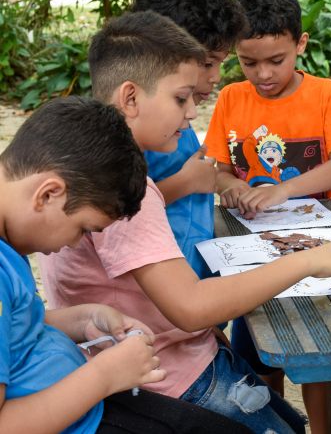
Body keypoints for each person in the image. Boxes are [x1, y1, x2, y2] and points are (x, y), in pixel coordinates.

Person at [38, 11, 331, 433]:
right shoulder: (120, 185)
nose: (193, 112)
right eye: (181, 98)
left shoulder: (94, 159)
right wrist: (307, 261)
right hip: (167, 379)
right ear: (131, 98)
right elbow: (190, 308)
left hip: (167, 357)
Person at [0, 96, 249, 434]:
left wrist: (85, 317)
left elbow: (15, 329)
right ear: (48, 194)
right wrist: (104, 376)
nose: (75, 243)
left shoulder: (9, 246)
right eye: (84, 229)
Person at [204, 0, 331, 434]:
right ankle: (275, 421)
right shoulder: (231, 98)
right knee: (256, 348)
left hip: (318, 247)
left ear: (301, 44)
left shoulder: (325, 94)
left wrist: (283, 190)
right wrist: (233, 184)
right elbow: (213, 170)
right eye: (249, 62)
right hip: (248, 248)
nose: (263, 74)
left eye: (276, 60)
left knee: (318, 355)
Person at [131, 0, 247, 280]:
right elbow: (117, 213)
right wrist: (187, 182)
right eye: (208, 64)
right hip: (157, 312)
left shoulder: (178, 115)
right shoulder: (137, 128)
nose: (217, 76)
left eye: (222, 62)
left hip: (191, 295)